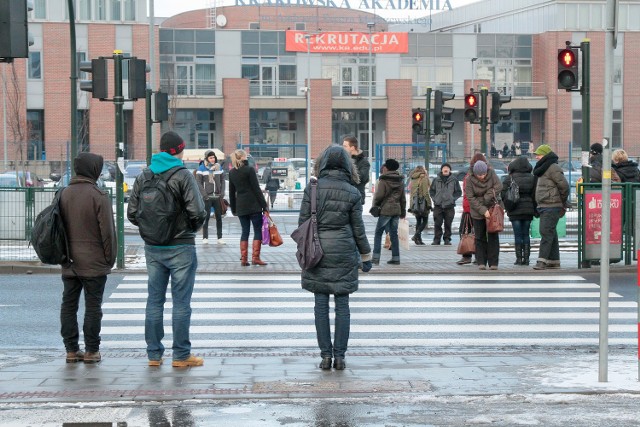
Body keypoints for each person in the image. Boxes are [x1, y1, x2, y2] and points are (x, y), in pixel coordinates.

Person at [127, 131, 208, 367]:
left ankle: (154, 355)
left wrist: (152, 230)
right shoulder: (182, 174)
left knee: (154, 300)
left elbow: (132, 212)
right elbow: (198, 211)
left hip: (153, 247)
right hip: (181, 246)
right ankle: (181, 355)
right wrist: (188, 230)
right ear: (178, 150)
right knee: (181, 303)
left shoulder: (145, 175)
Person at [299, 145, 371, 371]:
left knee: (320, 305)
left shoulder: (312, 189)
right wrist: (366, 255)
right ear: (347, 166)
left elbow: (302, 223)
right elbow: (358, 228)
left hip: (316, 252)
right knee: (343, 306)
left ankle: (325, 357)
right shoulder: (352, 192)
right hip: (344, 251)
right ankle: (340, 357)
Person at [59, 152, 117, 364]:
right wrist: (109, 259)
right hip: (94, 262)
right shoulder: (98, 196)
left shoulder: (63, 194)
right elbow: (108, 234)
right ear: (93, 170)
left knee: (69, 304)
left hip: (69, 260)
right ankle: (92, 350)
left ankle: (71, 350)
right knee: (93, 307)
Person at [228, 149, 269, 266]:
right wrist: (264, 206)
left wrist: (234, 209)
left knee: (244, 231)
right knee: (257, 230)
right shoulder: (249, 170)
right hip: (253, 205)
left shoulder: (232, 173)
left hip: (241, 206)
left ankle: (244, 259)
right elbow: (256, 189)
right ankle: (255, 258)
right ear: (243, 157)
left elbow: (231, 192)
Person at [531, 144, 569, 270]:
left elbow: (564, 186)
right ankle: (554, 260)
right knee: (551, 232)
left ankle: (542, 261)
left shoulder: (553, 168)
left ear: (545, 155)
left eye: (539, 154)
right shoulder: (543, 168)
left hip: (552, 205)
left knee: (545, 232)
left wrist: (560, 201)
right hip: (545, 204)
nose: (537, 157)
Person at [465, 160, 503, 270]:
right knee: (479, 237)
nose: (482, 176)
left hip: (492, 209)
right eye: (479, 175)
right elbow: (471, 198)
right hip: (477, 211)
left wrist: (487, 196)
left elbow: (499, 186)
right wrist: (483, 210)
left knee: (493, 236)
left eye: (484, 174)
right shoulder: (469, 179)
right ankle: (481, 261)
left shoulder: (492, 174)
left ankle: (493, 263)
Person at [371, 158, 406, 265]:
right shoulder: (400, 180)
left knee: (378, 233)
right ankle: (396, 258)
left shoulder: (384, 180)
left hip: (385, 210)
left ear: (387, 167)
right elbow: (402, 198)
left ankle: (376, 258)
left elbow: (379, 195)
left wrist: (375, 205)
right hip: (396, 210)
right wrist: (403, 211)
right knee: (394, 234)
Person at [501, 156, 536, 266]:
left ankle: (519, 259)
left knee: (518, 235)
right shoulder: (532, 178)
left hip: (514, 209)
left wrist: (507, 205)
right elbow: (535, 194)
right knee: (526, 234)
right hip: (528, 210)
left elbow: (502, 193)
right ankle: (526, 259)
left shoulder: (510, 178)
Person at [196, 150, 226, 245]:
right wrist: (204, 195)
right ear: (206, 159)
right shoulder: (201, 168)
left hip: (217, 196)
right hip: (207, 197)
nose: (212, 159)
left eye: (213, 157)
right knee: (206, 217)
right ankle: (205, 237)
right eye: (210, 157)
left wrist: (222, 192)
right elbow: (198, 183)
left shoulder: (218, 167)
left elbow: (223, 180)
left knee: (219, 217)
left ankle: (219, 237)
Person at [429, 162, 462, 246]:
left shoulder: (454, 180)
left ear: (450, 170)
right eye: (444, 168)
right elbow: (432, 191)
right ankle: (437, 239)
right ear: (442, 170)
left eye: (447, 167)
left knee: (448, 223)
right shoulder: (436, 180)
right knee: (437, 223)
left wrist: (452, 199)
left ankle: (447, 239)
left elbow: (458, 192)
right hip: (438, 205)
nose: (446, 169)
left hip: (449, 206)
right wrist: (435, 199)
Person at [342, 136, 370, 204]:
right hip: (343, 198)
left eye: (345, 146)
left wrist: (344, 177)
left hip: (357, 198)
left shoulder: (364, 162)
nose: (342, 148)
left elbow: (360, 178)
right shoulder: (342, 160)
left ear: (352, 148)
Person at [408, 165, 432, 245]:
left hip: (415, 203)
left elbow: (411, 193)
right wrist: (429, 203)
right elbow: (425, 193)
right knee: (424, 221)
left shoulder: (413, 179)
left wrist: (411, 205)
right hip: (423, 204)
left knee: (418, 221)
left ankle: (418, 240)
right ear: (423, 170)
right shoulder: (424, 178)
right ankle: (416, 236)